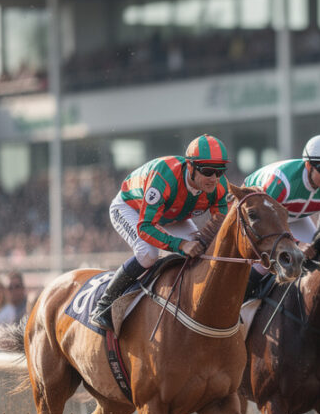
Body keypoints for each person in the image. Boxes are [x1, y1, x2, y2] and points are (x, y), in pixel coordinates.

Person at [92, 134, 233, 333]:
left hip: (172, 215)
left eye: (220, 171)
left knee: (201, 250)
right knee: (148, 254)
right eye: (208, 171)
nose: (214, 179)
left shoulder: (219, 186)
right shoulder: (164, 178)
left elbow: (220, 226)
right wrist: (180, 245)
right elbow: (146, 227)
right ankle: (105, 303)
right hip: (131, 208)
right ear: (190, 167)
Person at [244, 134, 320, 244]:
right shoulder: (283, 182)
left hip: (294, 217)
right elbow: (264, 222)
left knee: (318, 250)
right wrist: (295, 243)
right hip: (260, 214)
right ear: (308, 165)